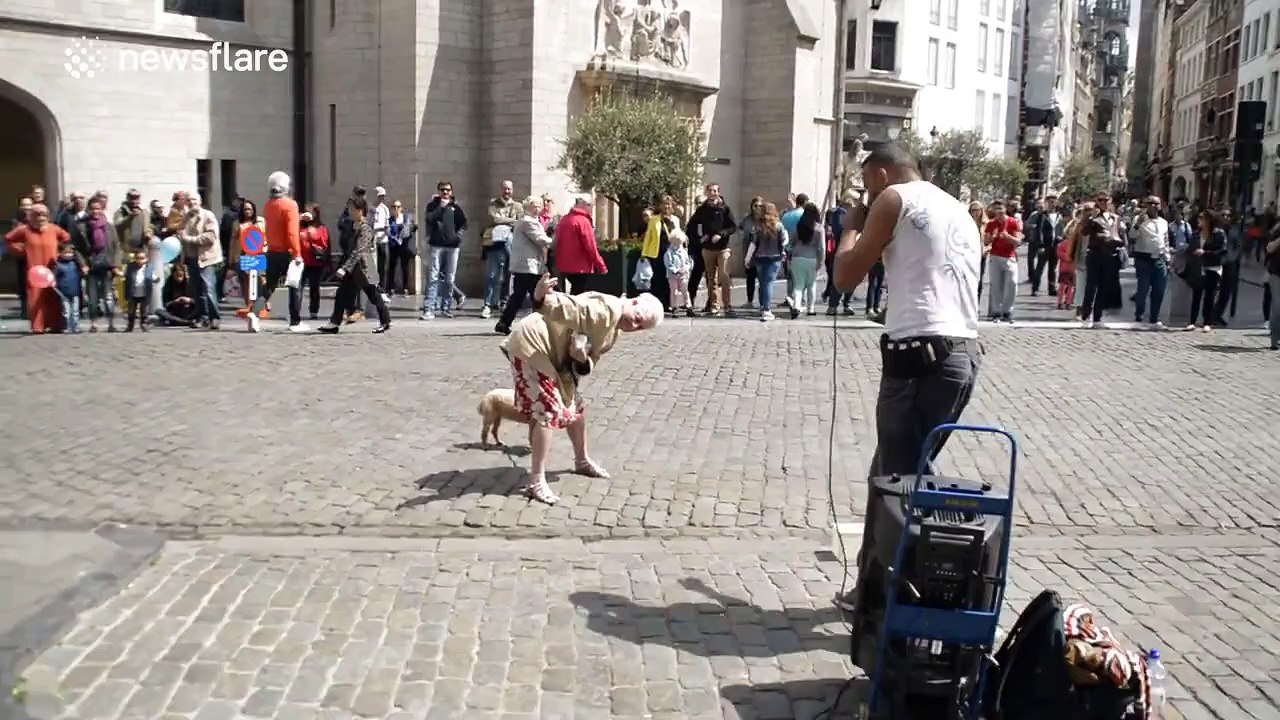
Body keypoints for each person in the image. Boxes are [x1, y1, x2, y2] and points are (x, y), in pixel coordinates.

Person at [831, 144, 981, 611]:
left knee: (898, 484)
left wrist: (851, 226)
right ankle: (877, 586)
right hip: (962, 353)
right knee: (897, 472)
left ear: (880, 175)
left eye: (866, 186)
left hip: (918, 355)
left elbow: (844, 277)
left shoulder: (895, 199)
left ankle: (898, 596)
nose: (867, 196)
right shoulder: (956, 206)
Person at [500, 274, 665, 505]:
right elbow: (572, 307)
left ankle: (582, 460)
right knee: (547, 411)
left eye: (640, 327)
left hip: (556, 356)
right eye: (637, 318)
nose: (634, 326)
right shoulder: (606, 309)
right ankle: (536, 481)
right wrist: (542, 297)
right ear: (634, 301)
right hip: (532, 345)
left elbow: (589, 361)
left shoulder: (614, 329)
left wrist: (581, 358)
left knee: (575, 409)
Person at [318, 197, 391, 334]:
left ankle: (385, 321)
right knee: (341, 294)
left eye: (352, 209)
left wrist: (345, 268)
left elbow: (359, 250)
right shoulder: (351, 226)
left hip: (364, 267)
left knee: (374, 295)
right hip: (353, 268)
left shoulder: (366, 228)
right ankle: (334, 323)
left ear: (360, 211)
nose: (350, 212)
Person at [247, 171, 305, 333]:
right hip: (288, 252)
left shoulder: (268, 205)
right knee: (295, 286)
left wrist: (299, 217)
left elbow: (277, 223)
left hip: (272, 251)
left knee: (269, 286)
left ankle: (254, 312)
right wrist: (297, 253)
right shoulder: (291, 205)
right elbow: (292, 232)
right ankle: (295, 321)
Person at [5, 203, 70, 333]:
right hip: (34, 270)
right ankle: (38, 326)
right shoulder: (24, 229)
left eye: (43, 215)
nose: (41, 218)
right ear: (31, 217)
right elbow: (8, 239)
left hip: (52, 269)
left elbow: (67, 239)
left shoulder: (54, 229)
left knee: (53, 296)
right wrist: (20, 250)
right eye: (37, 215)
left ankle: (55, 325)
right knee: (35, 298)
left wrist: (62, 252)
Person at [495, 196, 554, 335]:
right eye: (535, 206)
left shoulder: (529, 221)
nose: (538, 209)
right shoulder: (528, 222)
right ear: (528, 207)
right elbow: (540, 240)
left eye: (539, 206)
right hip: (528, 266)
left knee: (519, 296)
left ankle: (504, 322)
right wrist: (557, 240)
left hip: (526, 265)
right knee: (536, 296)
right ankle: (538, 325)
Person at [72, 197, 123, 333]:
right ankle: (93, 323)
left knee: (108, 297)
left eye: (98, 208)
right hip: (91, 265)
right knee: (92, 297)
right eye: (93, 209)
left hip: (107, 265)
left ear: (102, 209)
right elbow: (77, 248)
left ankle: (111, 323)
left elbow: (116, 246)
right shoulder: (81, 226)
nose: (95, 211)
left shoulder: (109, 227)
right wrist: (83, 264)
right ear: (88, 209)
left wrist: (116, 264)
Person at [686, 184, 736, 315]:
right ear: (706, 193)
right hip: (708, 248)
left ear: (718, 192)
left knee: (724, 276)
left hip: (723, 248)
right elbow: (691, 225)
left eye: (714, 191)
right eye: (709, 191)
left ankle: (727, 305)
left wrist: (721, 234)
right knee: (711, 278)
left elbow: (732, 227)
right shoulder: (703, 209)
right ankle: (714, 305)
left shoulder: (725, 208)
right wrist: (700, 238)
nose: (712, 193)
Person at [1129, 196, 1170, 328]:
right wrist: (1137, 224)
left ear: (1160, 206)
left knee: (1159, 290)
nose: (1153, 206)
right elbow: (1132, 235)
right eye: (1150, 203)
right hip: (1144, 259)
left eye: (1156, 203)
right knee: (1143, 289)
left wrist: (1167, 258)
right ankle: (1139, 314)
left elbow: (1165, 240)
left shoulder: (1164, 222)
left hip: (1160, 259)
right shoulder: (1139, 219)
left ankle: (1154, 317)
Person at [554, 195, 608, 295]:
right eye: (591, 205)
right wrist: (601, 265)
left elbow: (556, 240)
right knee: (579, 293)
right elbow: (590, 246)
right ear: (584, 205)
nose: (591, 209)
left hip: (564, 264)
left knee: (573, 291)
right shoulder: (583, 221)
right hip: (580, 265)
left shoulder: (564, 220)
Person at [745, 202, 789, 322]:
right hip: (774, 258)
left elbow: (753, 244)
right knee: (768, 283)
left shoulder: (758, 226)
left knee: (762, 283)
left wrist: (747, 259)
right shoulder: (779, 225)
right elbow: (785, 239)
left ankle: (762, 306)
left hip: (760, 258)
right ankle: (767, 309)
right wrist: (783, 249)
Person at [983, 199, 1022, 323]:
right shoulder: (991, 224)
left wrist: (1008, 236)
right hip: (995, 256)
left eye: (1001, 208)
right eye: (996, 209)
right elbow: (986, 242)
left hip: (1009, 256)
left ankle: (1007, 311)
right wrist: (992, 237)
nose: (999, 211)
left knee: (1012, 283)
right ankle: (996, 312)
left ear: (1005, 209)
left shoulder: (1013, 222)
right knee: (996, 285)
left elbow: (1018, 241)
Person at [786, 202, 825, 318]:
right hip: (812, 258)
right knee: (811, 284)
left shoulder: (798, 226)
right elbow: (822, 247)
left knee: (798, 285)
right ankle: (810, 309)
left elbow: (790, 243)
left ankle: (796, 306)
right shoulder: (819, 228)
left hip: (797, 257)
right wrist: (821, 261)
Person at [299, 204, 331, 320]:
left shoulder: (321, 228)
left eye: (310, 212)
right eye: (305, 211)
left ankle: (314, 311)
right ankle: (295, 311)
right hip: (301, 261)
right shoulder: (299, 226)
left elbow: (326, 246)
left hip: (315, 263)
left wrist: (328, 264)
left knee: (314, 287)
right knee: (298, 287)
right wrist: (299, 219)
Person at [51, 242, 83, 333]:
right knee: (67, 312)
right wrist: (54, 284)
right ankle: (68, 327)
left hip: (75, 292)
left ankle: (76, 327)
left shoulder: (75, 264)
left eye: (71, 252)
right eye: (66, 252)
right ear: (60, 253)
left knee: (76, 311)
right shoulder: (58, 265)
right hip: (63, 293)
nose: (69, 254)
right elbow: (53, 277)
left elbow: (81, 274)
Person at [663, 226, 693, 315]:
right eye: (676, 241)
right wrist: (675, 270)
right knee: (674, 291)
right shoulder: (669, 252)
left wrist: (686, 268)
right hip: (673, 275)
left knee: (685, 291)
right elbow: (668, 264)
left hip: (683, 274)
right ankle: (674, 307)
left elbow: (688, 262)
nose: (678, 244)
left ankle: (689, 307)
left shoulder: (684, 252)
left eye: (680, 242)